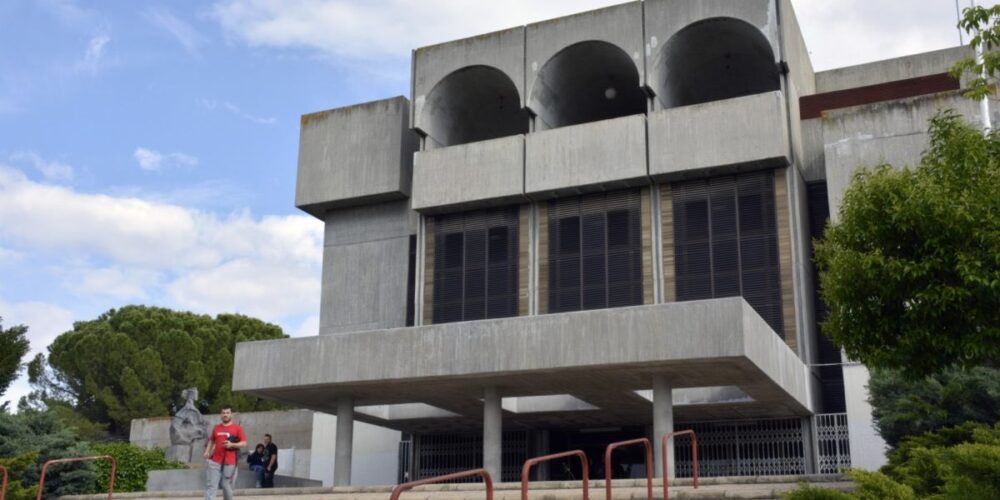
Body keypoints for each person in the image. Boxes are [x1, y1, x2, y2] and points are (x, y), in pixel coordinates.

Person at [203, 406, 246, 500]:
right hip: (215, 461)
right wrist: (207, 452)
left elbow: (244, 443)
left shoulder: (237, 428)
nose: (225, 415)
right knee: (211, 485)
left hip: (230, 461)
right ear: (220, 415)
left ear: (231, 414)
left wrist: (232, 444)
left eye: (227, 413)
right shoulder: (216, 428)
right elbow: (212, 440)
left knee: (226, 485)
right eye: (223, 413)